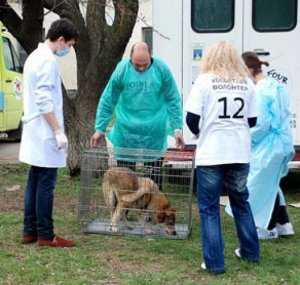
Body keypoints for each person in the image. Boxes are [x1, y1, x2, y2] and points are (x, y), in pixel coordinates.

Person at [185, 41, 260, 274]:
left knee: (209, 209)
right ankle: (250, 252)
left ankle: (215, 263)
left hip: (212, 153)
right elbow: (253, 120)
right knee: (241, 202)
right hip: (239, 151)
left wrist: (201, 133)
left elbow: (191, 118)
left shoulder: (204, 81)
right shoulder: (247, 83)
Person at [90, 42, 184, 187]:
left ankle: (151, 208)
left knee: (154, 181)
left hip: (154, 130)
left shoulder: (161, 69)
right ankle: (124, 208)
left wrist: (177, 128)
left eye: (144, 65)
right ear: (130, 59)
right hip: (126, 131)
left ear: (151, 57)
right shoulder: (122, 69)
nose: (141, 68)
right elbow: (108, 99)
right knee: (125, 181)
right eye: (137, 65)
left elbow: (173, 99)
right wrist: (99, 128)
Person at [19, 19, 78, 247]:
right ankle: (46, 234)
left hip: (36, 129)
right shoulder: (47, 61)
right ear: (60, 39)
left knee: (34, 181)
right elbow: (44, 100)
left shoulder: (34, 56)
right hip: (45, 131)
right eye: (69, 45)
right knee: (46, 184)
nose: (69, 49)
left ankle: (29, 231)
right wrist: (57, 131)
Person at [226, 52, 295, 239]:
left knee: (259, 186)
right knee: (272, 183)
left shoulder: (260, 92)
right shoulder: (275, 85)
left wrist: (245, 137)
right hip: (282, 143)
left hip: (269, 146)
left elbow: (261, 125)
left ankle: (268, 227)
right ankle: (283, 224)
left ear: (248, 69)